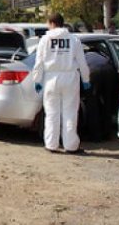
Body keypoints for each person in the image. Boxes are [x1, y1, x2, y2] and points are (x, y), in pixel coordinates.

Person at [31, 13, 91, 154]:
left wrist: (37, 80)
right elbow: (82, 62)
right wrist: (86, 79)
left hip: (51, 78)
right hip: (70, 77)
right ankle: (70, 145)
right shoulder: (73, 39)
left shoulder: (45, 40)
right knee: (70, 112)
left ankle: (51, 144)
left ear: (51, 23)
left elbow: (39, 62)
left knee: (52, 113)